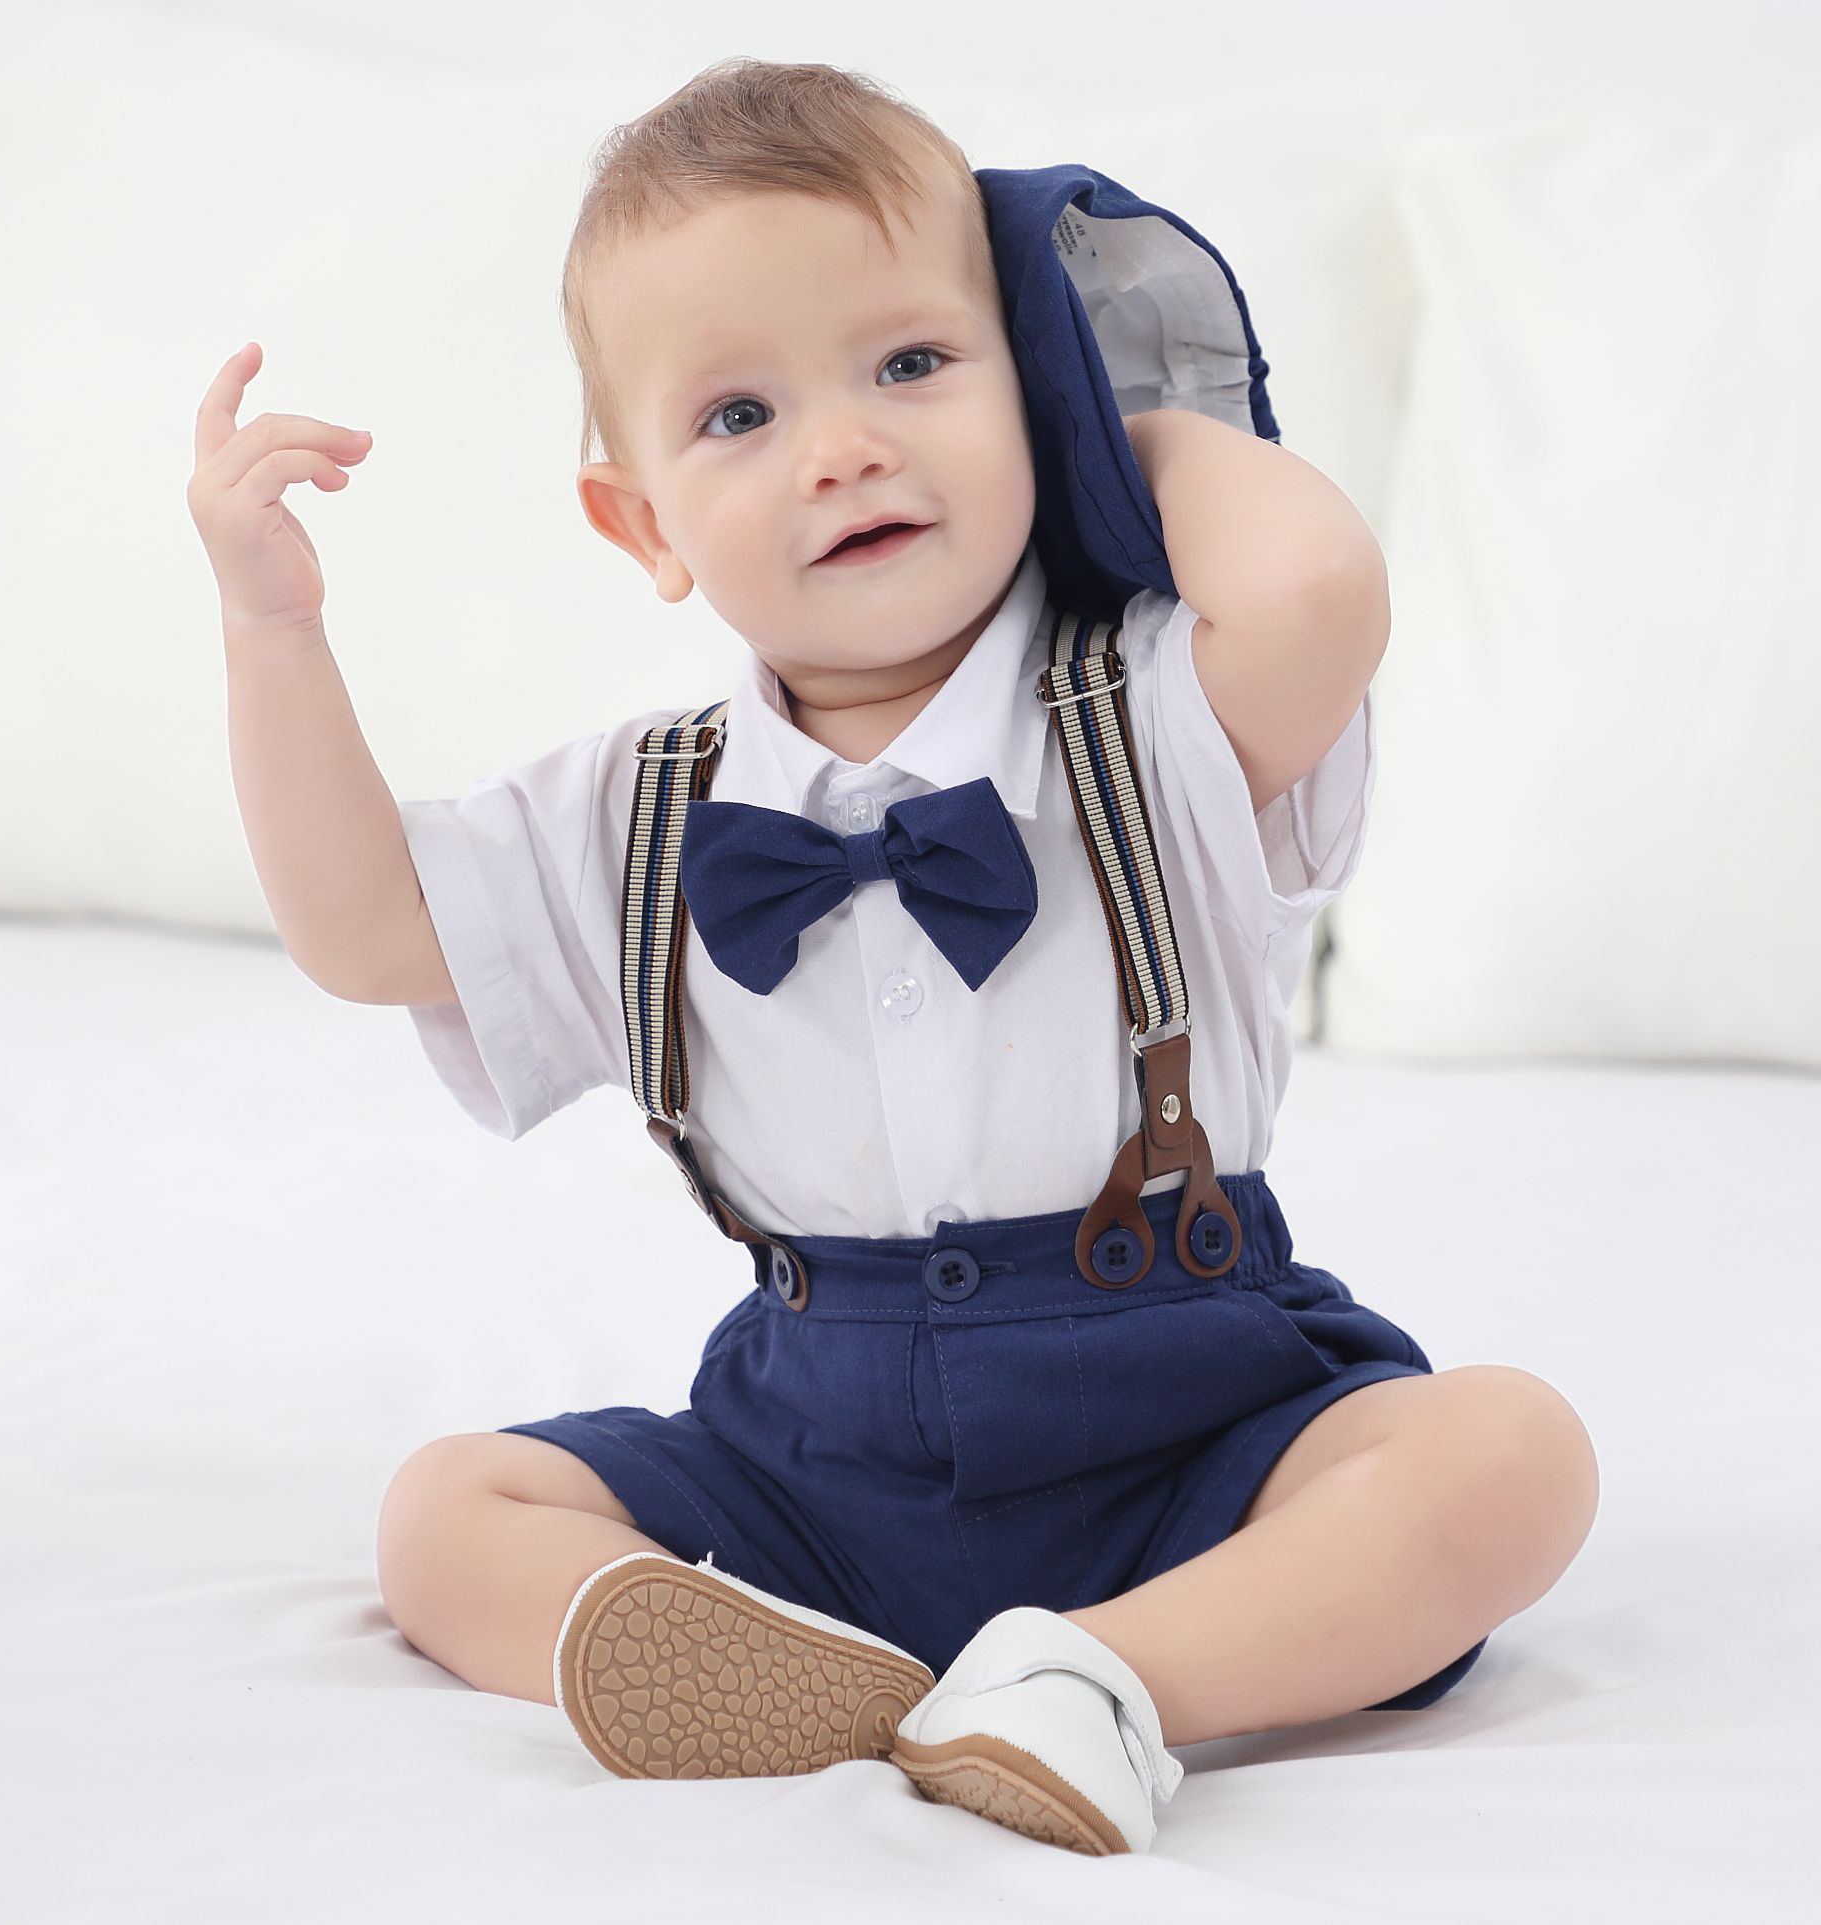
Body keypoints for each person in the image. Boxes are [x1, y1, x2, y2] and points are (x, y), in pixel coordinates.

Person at [186, 56, 1600, 1859]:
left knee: (1508, 1453)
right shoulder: (642, 812)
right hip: (814, 1461)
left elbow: (1320, 588)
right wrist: (271, 630)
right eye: (739, 413)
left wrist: (1113, 426)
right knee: (446, 1513)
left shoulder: (1159, 714)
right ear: (642, 524)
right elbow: (364, 925)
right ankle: (830, 1688)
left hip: (1188, 1426)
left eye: (915, 364)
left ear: (1033, 388)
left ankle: (1109, 1673)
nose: (842, 446)